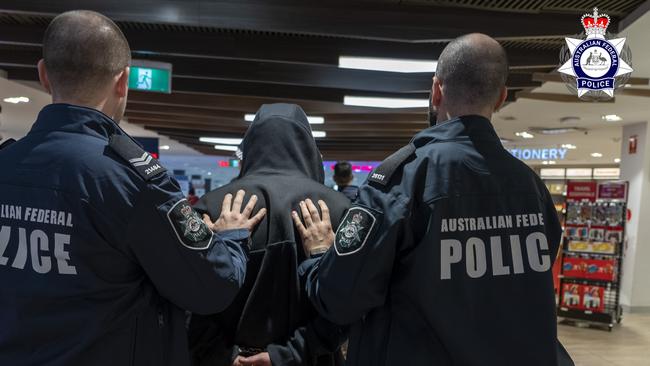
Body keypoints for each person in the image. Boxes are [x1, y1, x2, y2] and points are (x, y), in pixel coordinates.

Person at [0, 11, 266, 366]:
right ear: (123, 81)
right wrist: (230, 238)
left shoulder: (7, 163)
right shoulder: (131, 181)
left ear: (44, 75)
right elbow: (212, 287)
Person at [292, 33, 574, 366]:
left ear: (437, 90)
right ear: (501, 98)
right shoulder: (531, 188)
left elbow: (340, 299)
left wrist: (321, 253)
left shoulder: (403, 179)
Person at [189, 104, 349, 366]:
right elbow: (348, 308)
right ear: (309, 147)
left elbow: (185, 301)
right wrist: (289, 355)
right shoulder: (337, 210)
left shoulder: (212, 208)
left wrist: (223, 355)